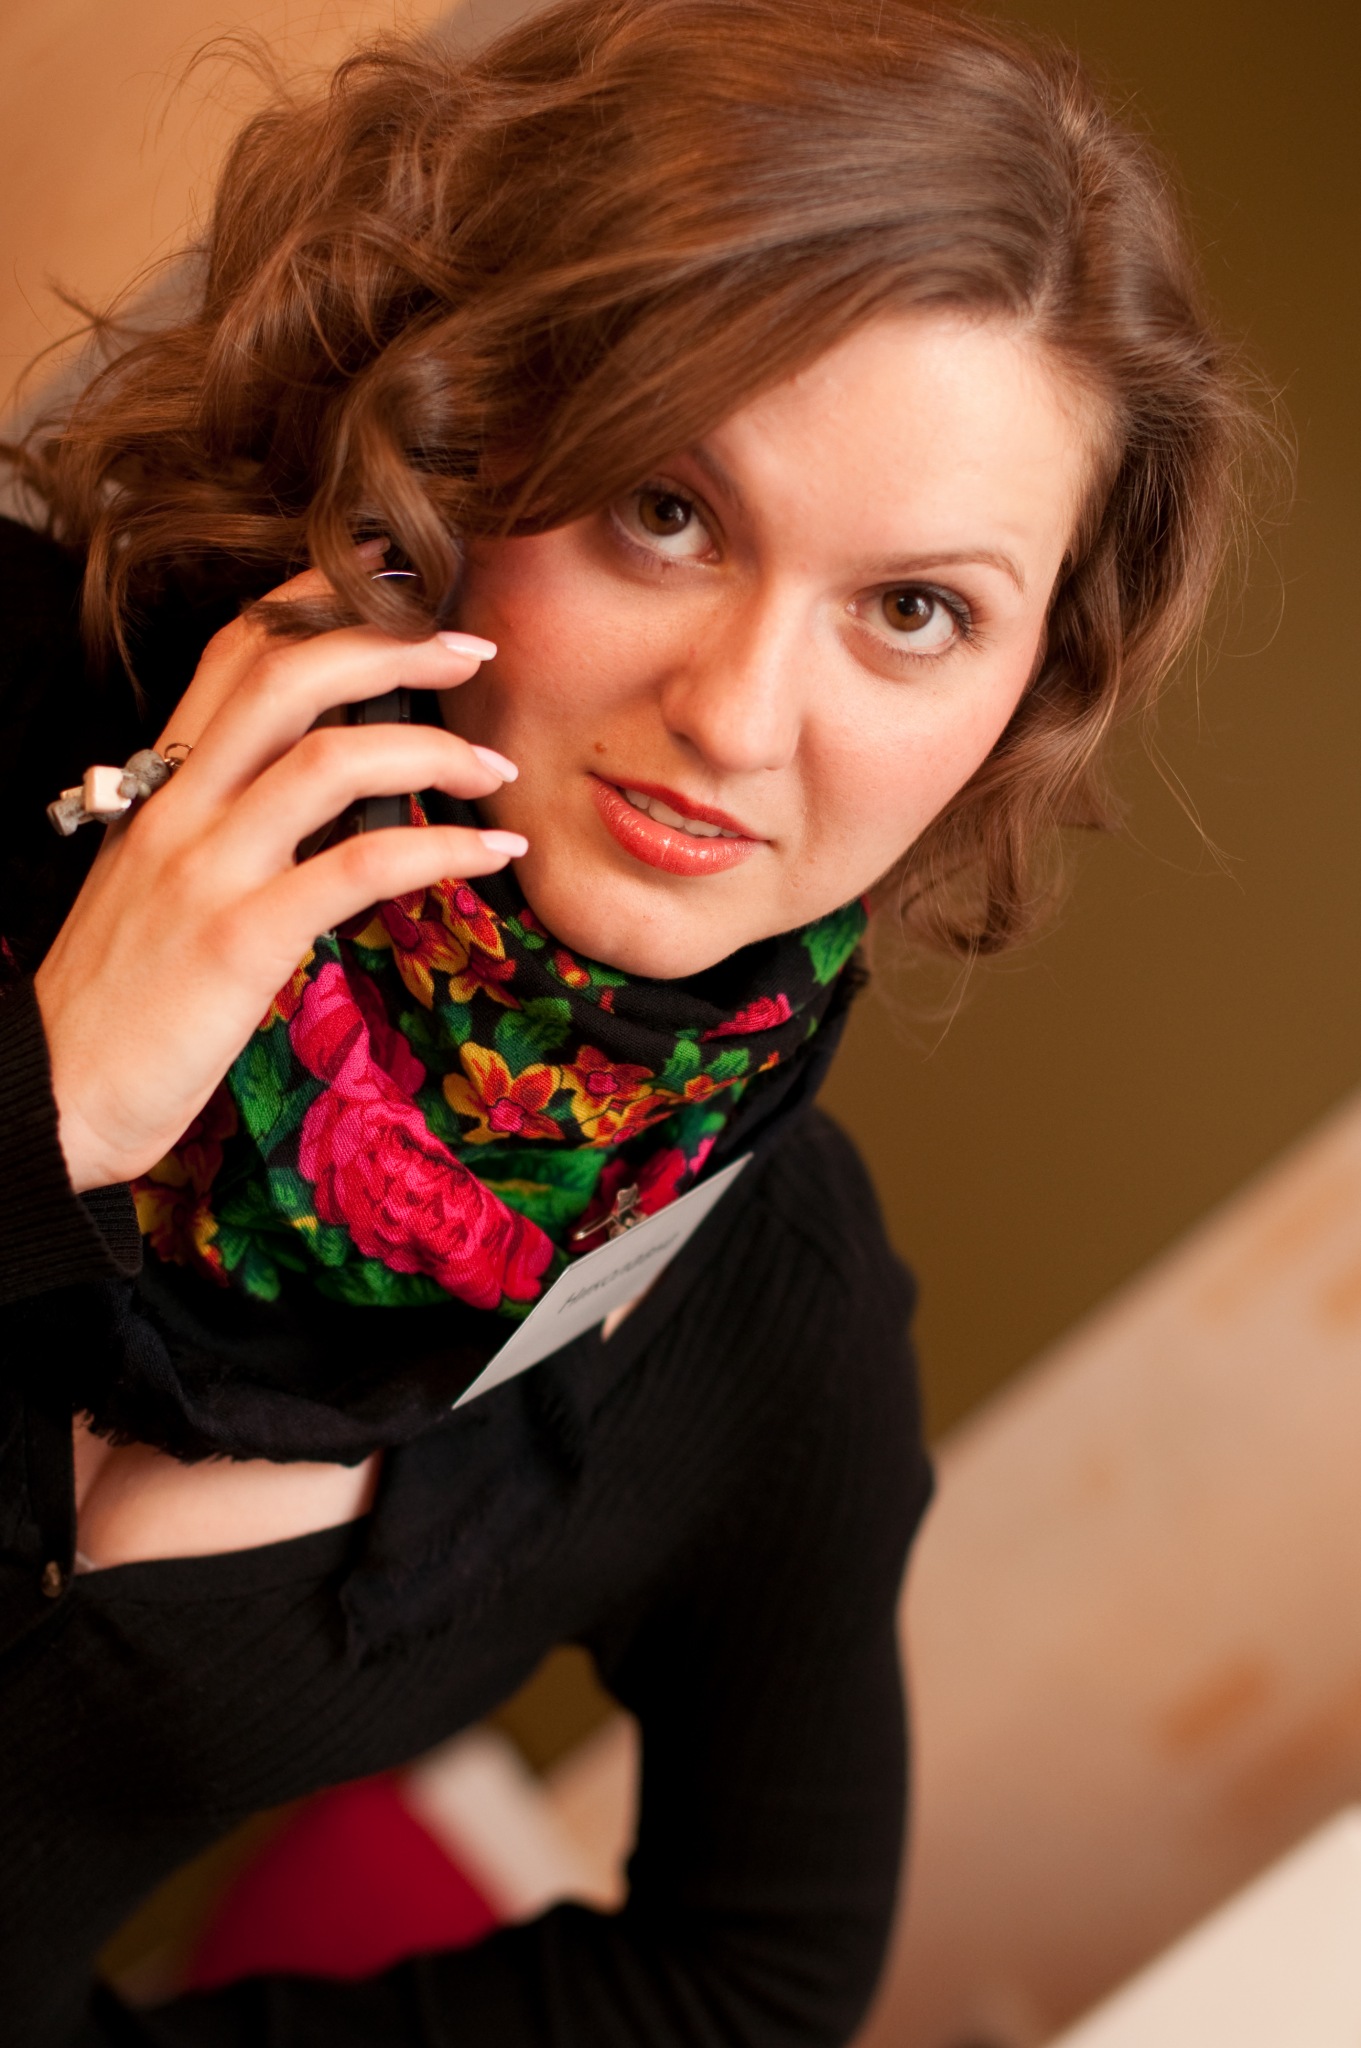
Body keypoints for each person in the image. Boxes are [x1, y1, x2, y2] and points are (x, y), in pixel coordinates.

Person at [0, 1, 1258, 2041]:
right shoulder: (17, 680)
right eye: (669, 510)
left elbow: (757, 1973)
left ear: (1025, 692)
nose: (740, 717)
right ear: (472, 430)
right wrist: (45, 1110)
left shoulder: (771, 1313)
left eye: (913, 611)